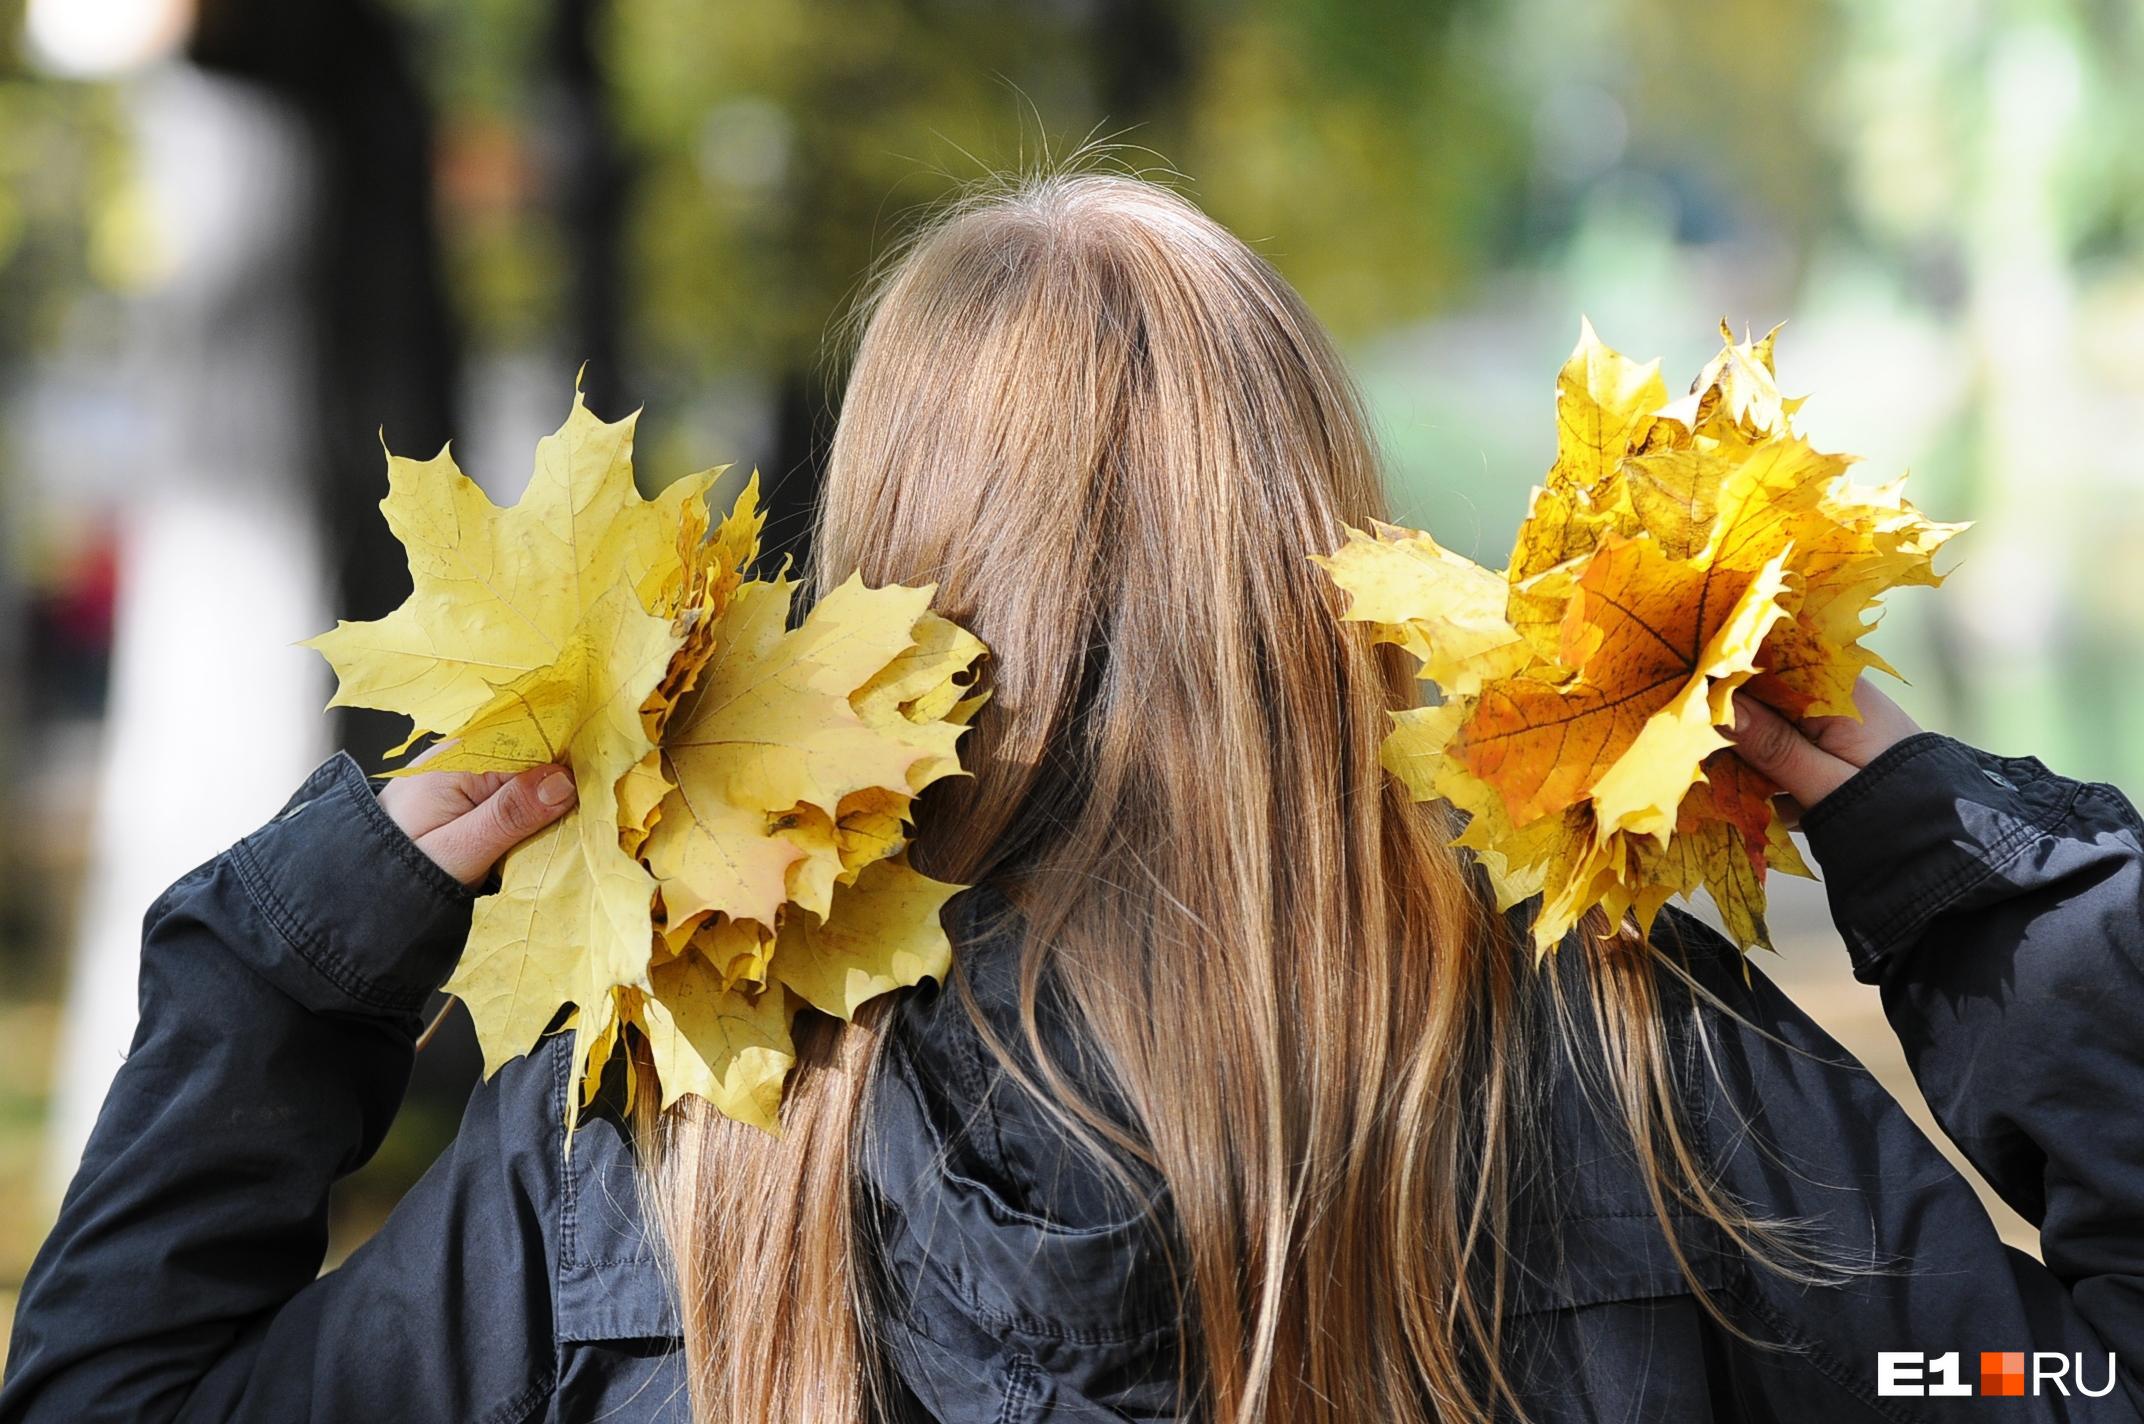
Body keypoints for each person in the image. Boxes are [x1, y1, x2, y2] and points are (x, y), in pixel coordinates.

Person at [4, 173, 2142, 1424]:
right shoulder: (1633, 1066)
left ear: (886, 569)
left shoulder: (663, 1147)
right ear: (1322, 540)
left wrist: (295, 958)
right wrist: (1981, 887)